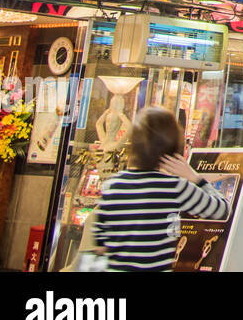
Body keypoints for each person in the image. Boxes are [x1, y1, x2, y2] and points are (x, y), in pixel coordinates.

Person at [89, 106, 230, 271]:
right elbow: (222, 210)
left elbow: (99, 241)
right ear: (171, 147)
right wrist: (195, 178)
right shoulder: (175, 187)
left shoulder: (114, 185)